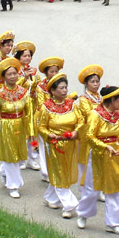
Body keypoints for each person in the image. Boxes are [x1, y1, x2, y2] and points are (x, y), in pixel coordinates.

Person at [76, 85, 119, 234]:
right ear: (112, 100)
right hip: (98, 155)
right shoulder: (95, 114)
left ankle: (114, 223)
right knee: (92, 189)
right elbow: (90, 136)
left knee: (115, 188)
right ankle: (83, 214)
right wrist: (105, 147)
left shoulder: (117, 115)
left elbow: (117, 135)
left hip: (114, 156)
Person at [0, 57, 33, 198]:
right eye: (9, 74)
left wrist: (31, 132)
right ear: (4, 77)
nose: (13, 76)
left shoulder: (24, 92)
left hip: (21, 126)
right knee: (11, 156)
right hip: (6, 126)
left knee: (19, 157)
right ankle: (13, 186)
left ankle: (4, 170)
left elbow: (29, 113)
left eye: (15, 73)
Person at [38, 72, 83, 218]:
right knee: (59, 172)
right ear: (53, 91)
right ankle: (69, 205)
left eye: (66, 88)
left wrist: (76, 131)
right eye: (61, 88)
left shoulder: (72, 105)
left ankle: (50, 197)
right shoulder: (46, 107)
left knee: (65, 171)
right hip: (55, 144)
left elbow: (81, 120)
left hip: (70, 144)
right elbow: (41, 126)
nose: (64, 91)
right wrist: (49, 135)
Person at [75, 65, 104, 201]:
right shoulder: (83, 99)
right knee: (85, 161)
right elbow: (90, 114)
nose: (95, 84)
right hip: (87, 133)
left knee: (99, 161)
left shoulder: (101, 97)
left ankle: (98, 188)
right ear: (86, 83)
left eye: (97, 81)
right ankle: (85, 189)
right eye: (92, 82)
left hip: (100, 132)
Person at [14, 41, 41, 171]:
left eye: (29, 55)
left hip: (33, 103)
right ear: (18, 57)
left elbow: (40, 86)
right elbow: (14, 85)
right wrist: (24, 77)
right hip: (21, 104)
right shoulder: (15, 71)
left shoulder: (34, 71)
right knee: (22, 131)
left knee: (33, 131)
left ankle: (32, 158)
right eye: (24, 56)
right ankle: (21, 158)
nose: (27, 58)